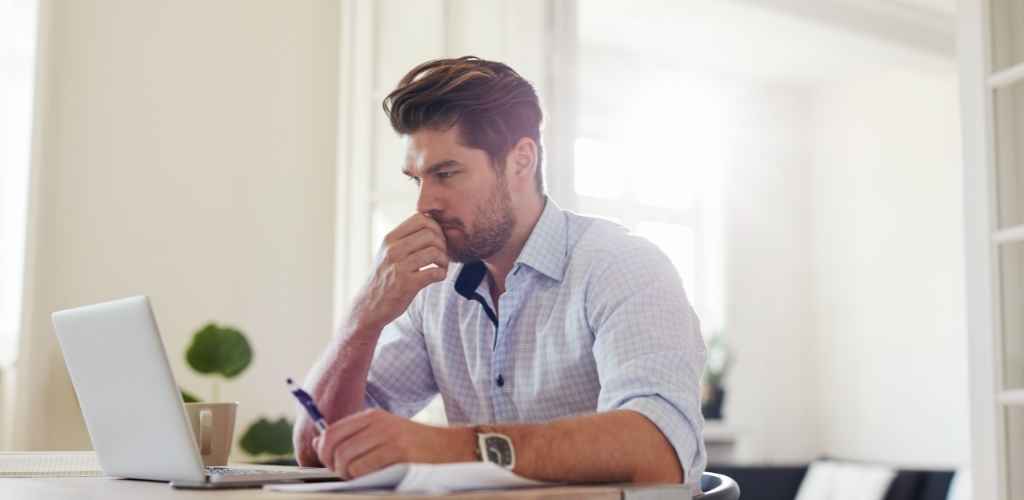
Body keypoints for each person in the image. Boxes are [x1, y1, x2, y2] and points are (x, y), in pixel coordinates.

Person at [293, 56, 706, 486]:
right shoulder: (437, 292)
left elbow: (657, 451)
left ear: (521, 161)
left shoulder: (623, 267)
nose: (423, 205)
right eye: (417, 180)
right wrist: (365, 316)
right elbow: (318, 450)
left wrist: (447, 448)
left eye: (446, 173)